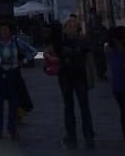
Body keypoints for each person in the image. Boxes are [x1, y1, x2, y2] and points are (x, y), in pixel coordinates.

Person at [44, 16, 95, 149]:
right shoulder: (59, 42)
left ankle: (89, 136)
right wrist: (52, 58)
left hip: (80, 77)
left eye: (75, 26)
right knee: (68, 106)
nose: (73, 29)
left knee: (85, 107)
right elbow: (46, 53)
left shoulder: (83, 41)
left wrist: (91, 76)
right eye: (70, 26)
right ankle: (71, 135)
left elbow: (89, 59)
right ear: (65, 28)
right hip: (65, 78)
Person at [0, 20, 36, 140]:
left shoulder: (16, 42)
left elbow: (33, 52)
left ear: (10, 31)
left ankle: (12, 130)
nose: (3, 32)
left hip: (13, 75)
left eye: (6, 29)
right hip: (0, 74)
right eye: (2, 29)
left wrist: (23, 61)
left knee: (13, 105)